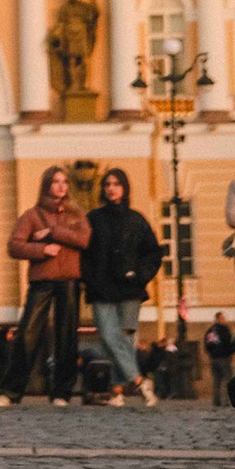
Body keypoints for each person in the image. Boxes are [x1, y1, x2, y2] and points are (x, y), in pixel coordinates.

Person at [0, 164, 90, 407]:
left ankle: (62, 393)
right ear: (47, 185)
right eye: (56, 181)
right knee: (28, 334)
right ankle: (11, 391)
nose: (61, 186)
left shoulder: (76, 214)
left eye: (64, 182)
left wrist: (53, 231)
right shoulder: (31, 215)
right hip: (42, 281)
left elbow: (84, 239)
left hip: (69, 280)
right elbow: (14, 246)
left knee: (66, 337)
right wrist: (42, 250)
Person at [81, 168, 163, 408]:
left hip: (129, 288)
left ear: (125, 188)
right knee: (108, 336)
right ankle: (139, 381)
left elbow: (153, 252)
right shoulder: (94, 218)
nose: (111, 188)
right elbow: (84, 254)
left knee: (124, 340)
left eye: (116, 183)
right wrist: (90, 278)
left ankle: (117, 392)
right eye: (107, 184)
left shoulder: (136, 219)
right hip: (101, 288)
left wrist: (140, 275)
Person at [203, 312, 235, 408]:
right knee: (227, 380)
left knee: (216, 381)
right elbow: (228, 343)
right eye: (222, 318)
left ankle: (216, 401)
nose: (224, 320)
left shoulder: (210, 331)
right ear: (218, 319)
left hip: (213, 359)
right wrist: (231, 353)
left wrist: (211, 354)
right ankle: (226, 401)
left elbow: (207, 344)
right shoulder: (224, 330)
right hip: (224, 358)